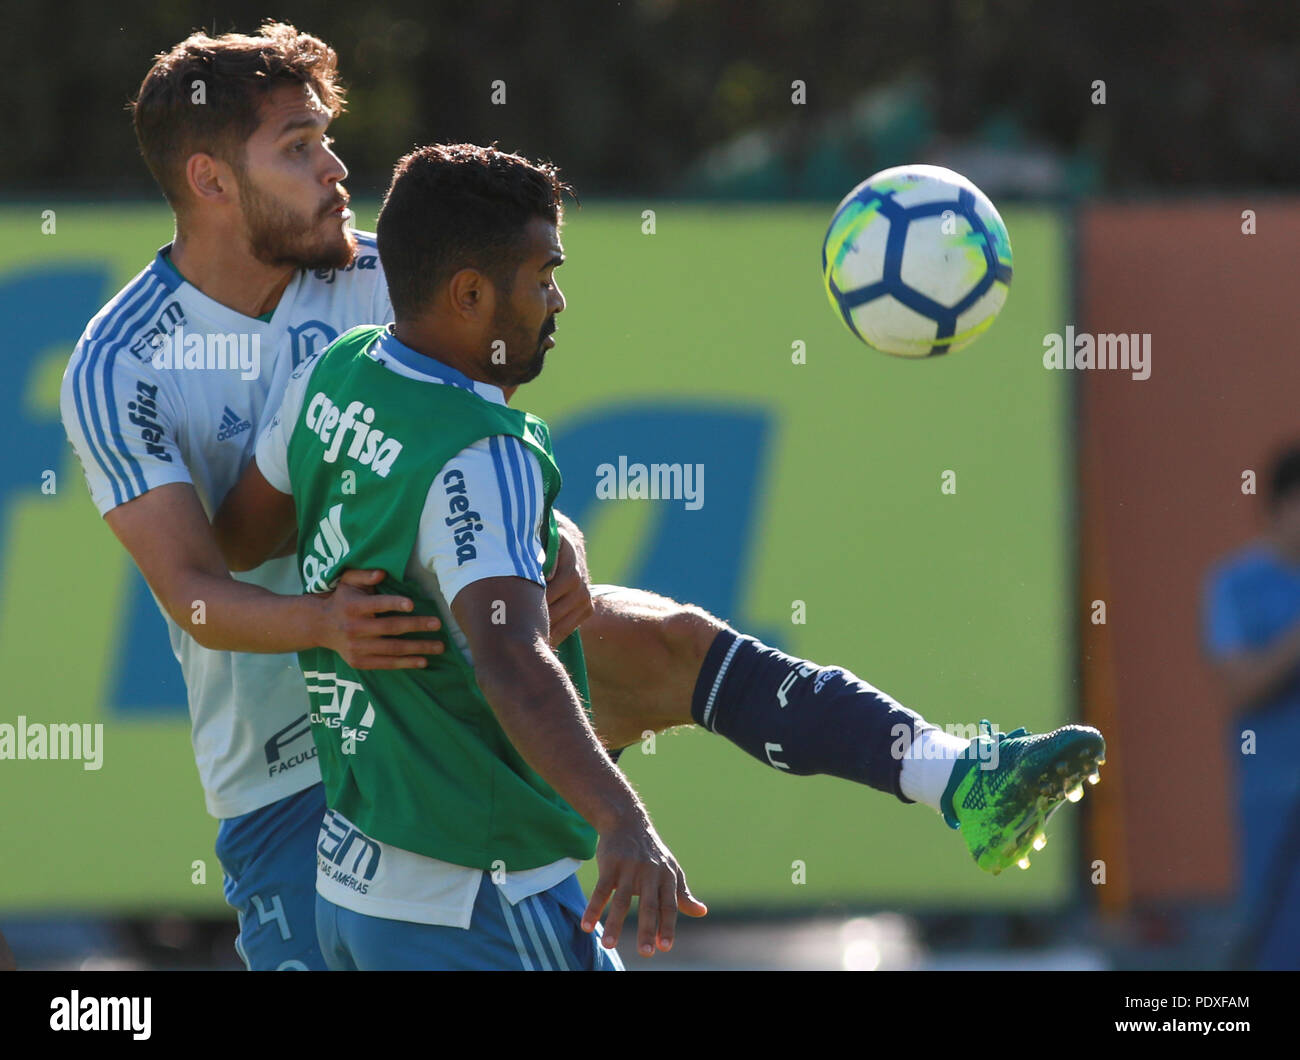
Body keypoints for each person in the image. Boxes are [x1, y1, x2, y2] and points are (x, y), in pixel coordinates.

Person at [61, 22, 1103, 969]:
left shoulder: (388, 278)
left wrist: (546, 541)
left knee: (675, 645)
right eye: (298, 147)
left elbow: (471, 460)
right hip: (294, 768)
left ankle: (953, 774)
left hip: (438, 684)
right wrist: (328, 623)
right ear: (206, 178)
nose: (336, 169)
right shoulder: (120, 365)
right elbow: (196, 587)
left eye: (328, 138)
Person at [1203, 445, 1300, 970]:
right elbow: (1237, 686)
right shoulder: (1235, 585)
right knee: (1279, 941)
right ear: (1281, 507)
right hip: (1274, 803)